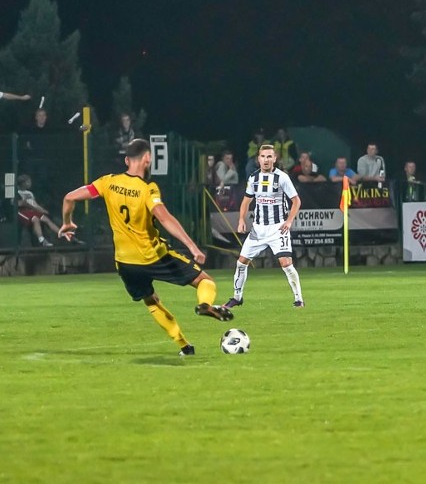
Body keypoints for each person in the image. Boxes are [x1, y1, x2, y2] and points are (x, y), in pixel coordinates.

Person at [59, 138, 233, 357]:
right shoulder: (148, 189)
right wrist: (192, 246)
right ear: (147, 158)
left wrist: (67, 222)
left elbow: (69, 197)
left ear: (126, 160)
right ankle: (205, 304)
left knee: (151, 301)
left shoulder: (107, 182)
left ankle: (184, 346)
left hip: (124, 263)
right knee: (205, 281)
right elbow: (163, 217)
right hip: (153, 256)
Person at [224, 144, 305, 309]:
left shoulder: (282, 177)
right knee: (241, 263)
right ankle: (237, 297)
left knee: (286, 263)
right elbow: (246, 200)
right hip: (258, 229)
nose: (266, 160)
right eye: (263, 156)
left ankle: (298, 299)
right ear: (258, 159)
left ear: (275, 159)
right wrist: (241, 219)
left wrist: (289, 221)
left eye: (269, 156)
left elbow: (296, 201)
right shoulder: (253, 178)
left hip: (277, 228)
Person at [17, 174, 69, 247]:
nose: (30, 183)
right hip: (22, 212)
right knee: (35, 219)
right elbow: (19, 204)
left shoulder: (29, 193)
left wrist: (43, 210)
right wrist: (25, 202)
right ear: (23, 183)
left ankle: (61, 234)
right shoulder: (17, 193)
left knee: (46, 219)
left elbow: (35, 204)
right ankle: (41, 240)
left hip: (32, 211)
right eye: (28, 182)